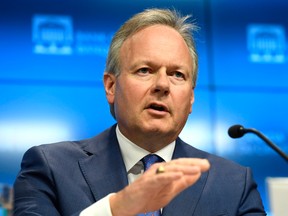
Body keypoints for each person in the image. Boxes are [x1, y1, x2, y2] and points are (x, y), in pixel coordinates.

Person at [13, 8, 266, 216]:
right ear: (111, 86)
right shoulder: (50, 168)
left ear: (190, 99)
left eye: (177, 74)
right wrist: (116, 209)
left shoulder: (234, 184)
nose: (162, 85)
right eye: (145, 70)